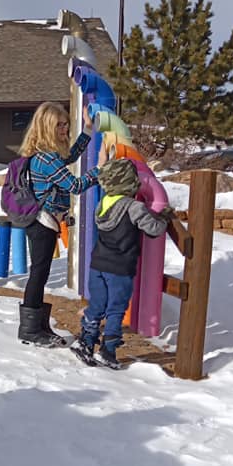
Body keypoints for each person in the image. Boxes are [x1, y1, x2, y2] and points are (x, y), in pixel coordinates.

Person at [71, 157, 171, 368]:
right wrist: (164, 216)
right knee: (116, 310)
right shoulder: (134, 207)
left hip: (98, 265)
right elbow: (154, 230)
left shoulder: (102, 204)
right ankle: (108, 350)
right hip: (120, 269)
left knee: (97, 305)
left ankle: (86, 342)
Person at [17, 101, 101, 347]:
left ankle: (39, 326)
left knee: (40, 272)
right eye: (59, 126)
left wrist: (87, 130)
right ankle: (30, 329)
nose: (64, 129)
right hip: (42, 222)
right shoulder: (46, 159)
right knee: (38, 273)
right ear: (46, 127)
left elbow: (70, 156)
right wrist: (100, 170)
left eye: (66, 124)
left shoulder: (46, 155)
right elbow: (75, 185)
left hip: (43, 221)